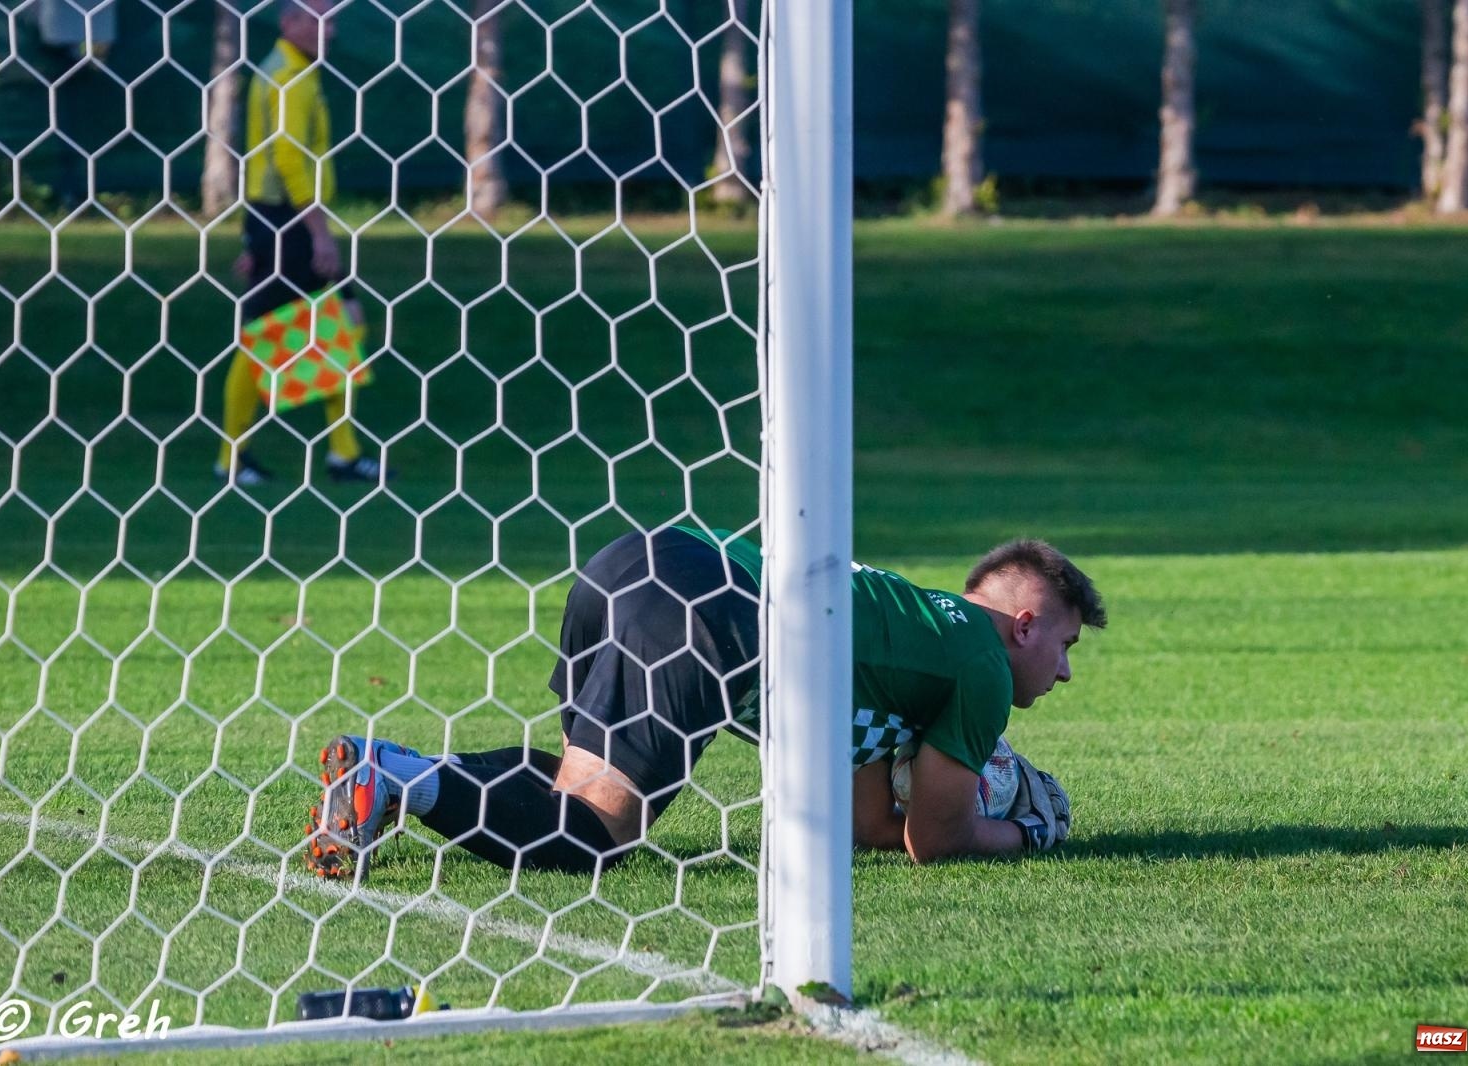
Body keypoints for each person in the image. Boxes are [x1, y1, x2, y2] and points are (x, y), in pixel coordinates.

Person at [305, 525, 1105, 879]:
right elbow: (936, 840)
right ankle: (402, 778)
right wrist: (1026, 830)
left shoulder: (919, 635)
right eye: (1067, 645)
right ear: (1025, 626)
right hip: (708, 608)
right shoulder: (983, 670)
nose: (1064, 673)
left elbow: (872, 828)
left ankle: (390, 774)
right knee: (601, 831)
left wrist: (918, 783)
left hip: (642, 559)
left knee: (573, 791)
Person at [217, 0, 384, 486]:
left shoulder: (282, 70)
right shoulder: (289, 77)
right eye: (319, 20)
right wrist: (316, 233)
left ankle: (341, 452)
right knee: (278, 335)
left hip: (272, 221)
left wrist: (256, 235)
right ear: (289, 23)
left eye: (332, 21)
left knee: (337, 326)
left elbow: (259, 157)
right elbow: (287, 160)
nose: (329, 32)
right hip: (288, 222)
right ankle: (234, 458)